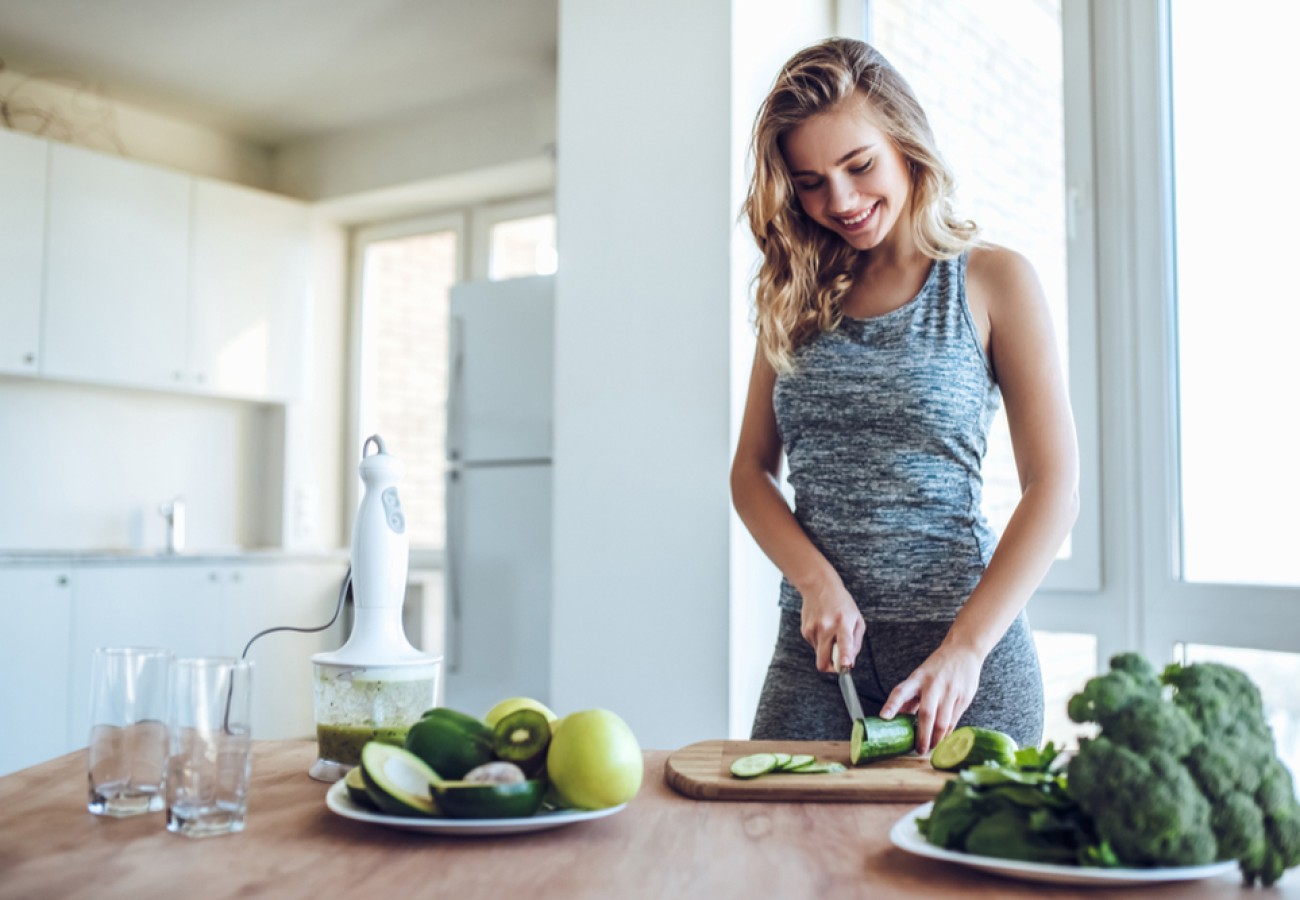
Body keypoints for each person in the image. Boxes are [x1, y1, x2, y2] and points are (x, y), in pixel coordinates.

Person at [731, 37, 1079, 755]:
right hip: (817, 661)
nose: (842, 201)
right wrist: (814, 580)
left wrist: (967, 648)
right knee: (781, 860)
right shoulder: (789, 295)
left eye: (859, 166)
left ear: (905, 144)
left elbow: (1056, 486)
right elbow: (750, 473)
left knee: (957, 868)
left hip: (963, 660)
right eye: (810, 182)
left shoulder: (993, 282)